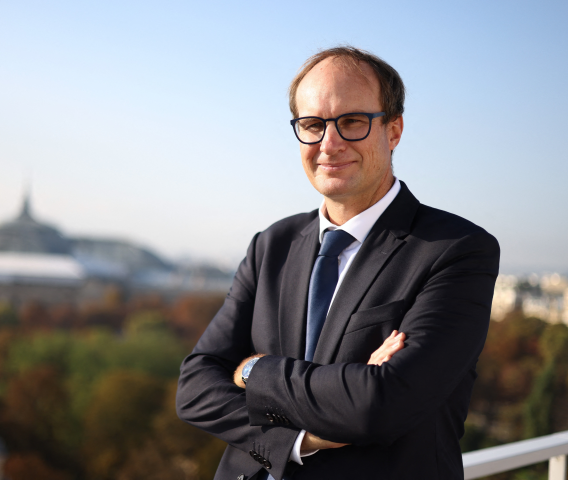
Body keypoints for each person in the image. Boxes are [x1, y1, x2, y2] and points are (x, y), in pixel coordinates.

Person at [176, 46, 500, 480]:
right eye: (312, 125)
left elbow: (380, 405)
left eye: (351, 121)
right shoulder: (272, 244)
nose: (329, 144)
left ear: (394, 130)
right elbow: (195, 388)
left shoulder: (457, 249)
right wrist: (295, 442)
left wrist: (252, 369)